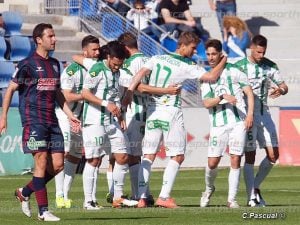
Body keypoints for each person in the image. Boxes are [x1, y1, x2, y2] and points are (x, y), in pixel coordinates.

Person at [122, 31, 227, 208]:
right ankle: (164, 196)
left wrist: (130, 91)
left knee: (148, 156)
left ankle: (141, 197)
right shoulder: (187, 65)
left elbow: (140, 73)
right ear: (183, 45)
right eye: (193, 48)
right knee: (177, 156)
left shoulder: (157, 57)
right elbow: (211, 76)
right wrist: (223, 60)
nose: (195, 52)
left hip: (153, 112)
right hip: (171, 112)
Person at [0, 23, 80, 221]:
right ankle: (43, 211)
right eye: (50, 36)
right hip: (33, 120)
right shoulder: (27, 64)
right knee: (41, 161)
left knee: (59, 165)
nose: (55, 39)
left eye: (54, 36)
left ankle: (25, 192)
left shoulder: (55, 64)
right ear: (38, 39)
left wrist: (70, 114)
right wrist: (3, 117)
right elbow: (10, 89)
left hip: (52, 121)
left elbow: (58, 93)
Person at [199, 39, 254, 208]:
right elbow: (207, 103)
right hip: (218, 125)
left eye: (214, 54)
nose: (210, 57)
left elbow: (249, 93)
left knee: (235, 158)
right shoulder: (206, 77)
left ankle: (232, 199)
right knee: (212, 163)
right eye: (208, 54)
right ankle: (208, 189)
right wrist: (222, 97)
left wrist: (250, 114)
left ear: (220, 54)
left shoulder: (235, 71)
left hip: (238, 122)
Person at [235, 35, 288, 207]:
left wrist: (281, 90)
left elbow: (284, 86)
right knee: (250, 156)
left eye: (263, 52)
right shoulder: (239, 67)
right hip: (248, 115)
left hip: (264, 113)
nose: (260, 55)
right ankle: (251, 196)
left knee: (274, 155)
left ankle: (255, 187)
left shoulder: (269, 66)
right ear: (251, 47)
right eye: (258, 52)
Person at [54, 35, 100, 209]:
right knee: (64, 152)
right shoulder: (73, 70)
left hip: (83, 118)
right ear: (85, 51)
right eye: (94, 50)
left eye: (98, 49)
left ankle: (65, 194)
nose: (97, 53)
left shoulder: (98, 68)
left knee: (75, 155)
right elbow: (64, 95)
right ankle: (59, 195)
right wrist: (85, 96)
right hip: (66, 115)